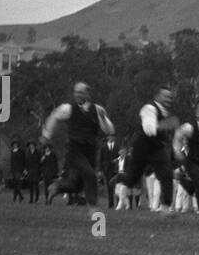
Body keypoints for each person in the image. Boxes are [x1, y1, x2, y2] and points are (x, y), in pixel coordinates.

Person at [43, 82, 115, 214]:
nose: (77, 95)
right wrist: (47, 134)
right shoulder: (68, 108)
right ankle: (93, 207)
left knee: (76, 186)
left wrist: (104, 119)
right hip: (74, 151)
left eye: (81, 92)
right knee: (90, 175)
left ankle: (57, 187)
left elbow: (110, 130)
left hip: (90, 152)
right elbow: (54, 116)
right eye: (76, 92)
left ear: (88, 94)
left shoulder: (97, 109)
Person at [114, 87, 182, 219]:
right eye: (165, 96)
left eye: (170, 97)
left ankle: (165, 208)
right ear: (157, 97)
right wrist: (165, 125)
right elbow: (149, 129)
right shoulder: (149, 109)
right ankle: (120, 180)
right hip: (142, 147)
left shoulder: (165, 112)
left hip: (157, 148)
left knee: (167, 174)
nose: (168, 99)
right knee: (133, 177)